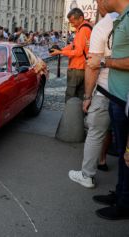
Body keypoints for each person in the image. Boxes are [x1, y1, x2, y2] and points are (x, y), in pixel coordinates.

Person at [68, 0, 118, 189]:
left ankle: (87, 175)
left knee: (96, 131)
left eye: (99, 2)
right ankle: (107, 167)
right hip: (121, 91)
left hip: (105, 89)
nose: (97, 5)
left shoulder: (102, 25)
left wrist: (88, 96)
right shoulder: (113, 23)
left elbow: (92, 63)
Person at [88, 0, 129, 220]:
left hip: (125, 99)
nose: (99, 1)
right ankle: (121, 193)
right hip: (119, 96)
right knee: (123, 154)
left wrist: (105, 61)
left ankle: (124, 202)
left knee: (127, 154)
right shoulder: (122, 17)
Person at [50, 8, 92, 102]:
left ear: (80, 18)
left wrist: (60, 52)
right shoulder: (84, 28)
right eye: (70, 22)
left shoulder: (83, 30)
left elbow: (78, 52)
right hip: (82, 67)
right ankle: (78, 115)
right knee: (80, 95)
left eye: (73, 21)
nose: (72, 25)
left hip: (77, 68)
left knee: (71, 95)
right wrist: (61, 49)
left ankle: (70, 115)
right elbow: (73, 45)